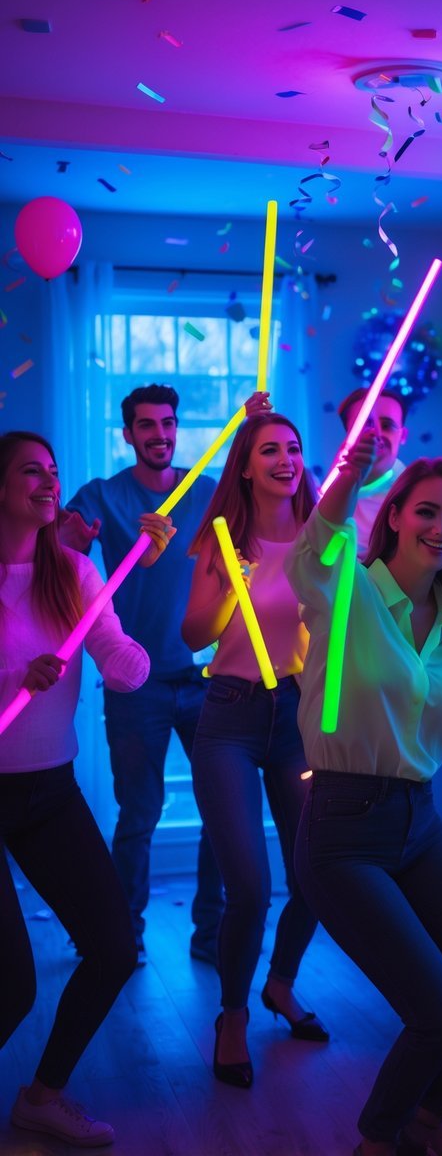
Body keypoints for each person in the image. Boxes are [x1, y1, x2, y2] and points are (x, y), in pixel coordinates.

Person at [285, 436, 442, 1156]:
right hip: (341, 828)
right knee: (436, 1010)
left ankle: (428, 1123)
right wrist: (349, 474)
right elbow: (315, 544)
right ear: (393, 515)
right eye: (426, 512)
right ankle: (379, 1139)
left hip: (421, 823)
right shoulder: (347, 590)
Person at [0, 431, 151, 1147]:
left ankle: (42, 1096)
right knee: (10, 987)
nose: (49, 482)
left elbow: (121, 666)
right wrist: (12, 680)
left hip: (50, 791)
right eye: (32, 471)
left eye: (53, 472)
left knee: (114, 948)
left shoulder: (73, 572)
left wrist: (128, 647)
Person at [182, 406, 328, 1090]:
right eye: (269, 449)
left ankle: (280, 984)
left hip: (299, 717)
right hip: (232, 716)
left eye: (293, 448)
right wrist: (231, 586)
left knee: (318, 877)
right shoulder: (221, 538)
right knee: (249, 885)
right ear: (245, 465)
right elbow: (192, 635)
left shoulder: (323, 540)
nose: (284, 459)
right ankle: (232, 1015)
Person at [63, 384, 224, 967]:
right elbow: (54, 546)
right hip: (137, 687)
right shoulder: (103, 496)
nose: (160, 434)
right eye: (147, 425)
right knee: (139, 815)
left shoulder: (206, 491)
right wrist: (73, 542)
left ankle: (212, 934)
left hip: (207, 679)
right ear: (128, 434)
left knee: (221, 812)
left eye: (169, 423)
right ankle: (123, 939)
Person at [337, 387, 409, 556]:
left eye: (387, 426)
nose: (376, 434)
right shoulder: (329, 493)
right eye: (365, 425)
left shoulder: (416, 492)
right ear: (349, 433)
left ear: (403, 436)